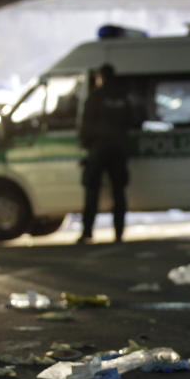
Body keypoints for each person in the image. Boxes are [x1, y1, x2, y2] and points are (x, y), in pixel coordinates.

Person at [77, 63, 133, 244]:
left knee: (92, 190)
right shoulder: (123, 97)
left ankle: (87, 231)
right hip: (118, 149)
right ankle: (118, 233)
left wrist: (85, 146)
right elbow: (132, 121)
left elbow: (86, 125)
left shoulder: (96, 97)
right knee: (118, 192)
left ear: (101, 77)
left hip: (99, 149)